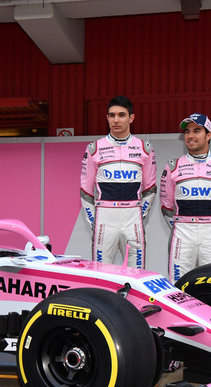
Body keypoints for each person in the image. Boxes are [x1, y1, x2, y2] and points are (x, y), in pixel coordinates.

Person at [80, 95, 157, 268]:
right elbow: (85, 191)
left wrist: (139, 214)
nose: (116, 120)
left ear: (131, 118)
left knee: (136, 273)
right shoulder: (94, 148)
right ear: (107, 118)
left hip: (133, 217)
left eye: (121, 115)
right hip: (104, 217)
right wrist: (95, 220)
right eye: (112, 115)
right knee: (102, 273)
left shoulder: (145, 148)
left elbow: (150, 189)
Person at [160, 113, 211, 283]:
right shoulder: (173, 166)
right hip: (182, 231)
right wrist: (180, 227)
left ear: (208, 135)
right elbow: (166, 206)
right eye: (187, 132)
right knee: (179, 284)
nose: (190, 136)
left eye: (197, 131)